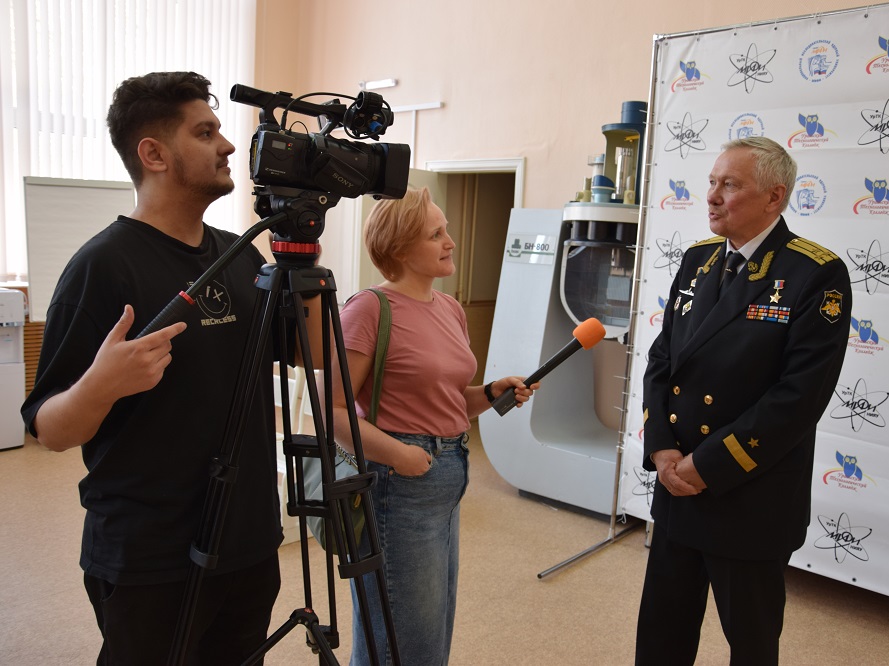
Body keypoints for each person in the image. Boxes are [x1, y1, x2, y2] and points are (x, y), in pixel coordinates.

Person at [21, 72, 283, 664]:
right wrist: (100, 386)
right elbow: (49, 430)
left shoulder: (242, 255)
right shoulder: (102, 266)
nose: (228, 146)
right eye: (206, 133)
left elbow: (307, 352)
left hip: (248, 541)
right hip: (150, 556)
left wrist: (302, 246)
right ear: (154, 154)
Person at [635, 137, 851, 665]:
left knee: (751, 646)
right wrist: (661, 447)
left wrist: (707, 465)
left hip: (748, 495)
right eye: (712, 182)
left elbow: (798, 398)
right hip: (678, 486)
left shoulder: (814, 274)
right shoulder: (698, 260)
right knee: (661, 636)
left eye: (729, 185)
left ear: (775, 196)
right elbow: (663, 359)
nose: (712, 196)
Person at [326, 186, 536, 665]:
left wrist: (490, 393)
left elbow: (446, 401)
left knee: (429, 629)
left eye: (446, 230)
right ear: (400, 250)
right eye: (435, 234)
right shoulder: (369, 309)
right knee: (400, 638)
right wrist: (400, 455)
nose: (450, 241)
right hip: (398, 481)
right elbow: (332, 409)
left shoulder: (450, 309)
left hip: (448, 474)